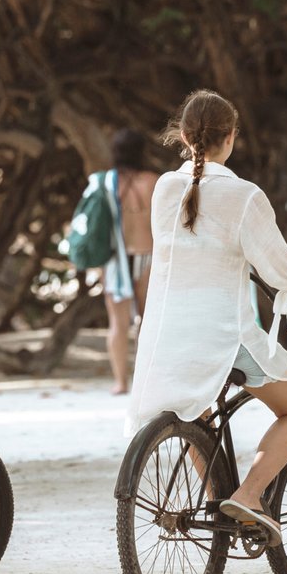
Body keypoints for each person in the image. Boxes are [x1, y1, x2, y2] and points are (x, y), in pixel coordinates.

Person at [125, 90, 287, 545]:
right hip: (223, 335)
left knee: (198, 417)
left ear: (184, 136)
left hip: (167, 336)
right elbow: (282, 268)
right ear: (231, 137)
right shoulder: (244, 196)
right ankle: (248, 496)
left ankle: (219, 503)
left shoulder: (165, 188)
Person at [103, 129, 159, 395]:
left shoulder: (106, 182)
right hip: (148, 254)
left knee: (118, 323)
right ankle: (146, 380)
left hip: (116, 258)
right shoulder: (153, 181)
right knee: (148, 321)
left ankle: (120, 382)